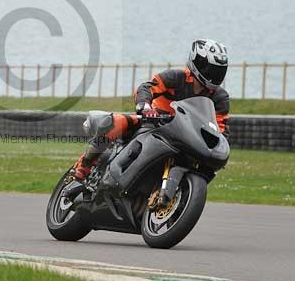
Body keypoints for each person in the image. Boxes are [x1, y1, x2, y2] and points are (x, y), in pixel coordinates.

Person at [73, 39, 230, 180]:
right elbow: (146, 88)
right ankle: (84, 165)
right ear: (197, 62)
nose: (214, 74)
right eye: (211, 69)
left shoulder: (220, 97)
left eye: (219, 70)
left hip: (188, 137)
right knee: (115, 122)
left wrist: (218, 148)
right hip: (155, 121)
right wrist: (145, 106)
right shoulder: (176, 77)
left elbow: (221, 130)